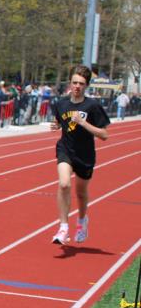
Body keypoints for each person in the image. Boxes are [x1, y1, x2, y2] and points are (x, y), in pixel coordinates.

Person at [49, 65, 110, 245]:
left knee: (81, 193)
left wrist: (84, 123)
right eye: (74, 82)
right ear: (70, 83)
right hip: (65, 150)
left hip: (85, 155)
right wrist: (56, 126)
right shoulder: (61, 104)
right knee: (64, 184)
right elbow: (59, 122)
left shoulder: (93, 106)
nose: (77, 86)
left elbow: (104, 135)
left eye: (81, 83)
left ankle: (82, 221)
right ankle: (63, 227)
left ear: (86, 85)